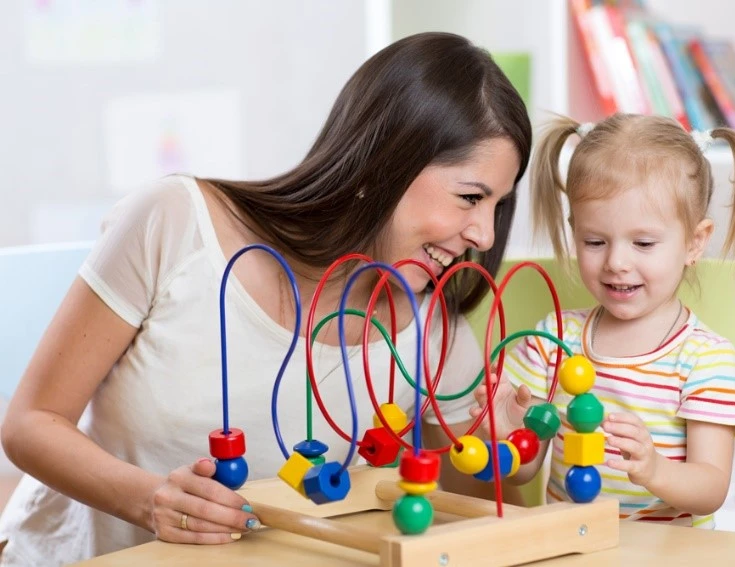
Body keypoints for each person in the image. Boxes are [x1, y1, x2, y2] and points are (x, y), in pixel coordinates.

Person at [0, 31, 532, 565]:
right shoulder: (177, 222)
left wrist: (508, 452)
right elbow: (30, 423)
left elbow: (463, 520)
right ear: (384, 164)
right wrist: (149, 500)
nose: (484, 235)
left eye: (497, 206)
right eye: (470, 197)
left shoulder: (433, 324)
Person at [472, 112, 735, 528]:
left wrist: (655, 469)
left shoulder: (706, 360)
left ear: (695, 242)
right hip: (573, 547)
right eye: (594, 241)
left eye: (643, 243)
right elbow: (524, 471)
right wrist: (507, 434)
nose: (616, 262)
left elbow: (710, 490)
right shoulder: (552, 340)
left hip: (668, 557)